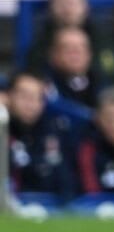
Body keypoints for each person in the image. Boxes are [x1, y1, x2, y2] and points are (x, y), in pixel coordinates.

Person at [6, 71, 76, 202]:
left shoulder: (55, 130)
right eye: (24, 96)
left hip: (50, 210)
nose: (30, 104)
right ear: (8, 96)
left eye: (37, 97)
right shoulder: (3, 129)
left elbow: (67, 179)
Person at [27, 0, 100, 71]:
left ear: (86, 6)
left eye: (73, 0)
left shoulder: (104, 40)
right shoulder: (39, 47)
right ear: (51, 6)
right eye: (61, 0)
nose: (68, 6)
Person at [45, 26, 105, 109]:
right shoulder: (42, 88)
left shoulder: (103, 85)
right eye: (67, 48)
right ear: (53, 55)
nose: (75, 52)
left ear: (89, 55)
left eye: (81, 47)